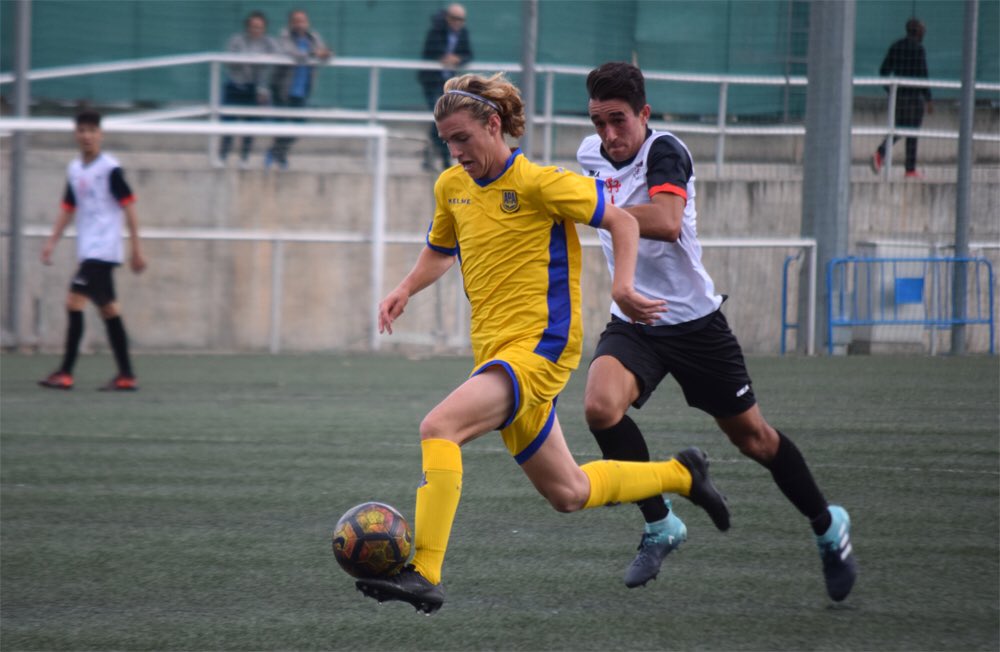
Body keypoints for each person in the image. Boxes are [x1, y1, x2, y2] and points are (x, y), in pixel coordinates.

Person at [354, 72, 731, 614]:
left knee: (439, 427)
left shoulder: (539, 182)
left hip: (541, 347)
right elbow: (442, 248)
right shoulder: (450, 187)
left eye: (463, 138)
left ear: (493, 124)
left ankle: (425, 571)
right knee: (569, 493)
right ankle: (682, 474)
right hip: (494, 352)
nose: (456, 152)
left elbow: (623, 221)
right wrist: (405, 287)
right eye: (447, 142)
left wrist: (623, 288)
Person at [577, 62, 857, 601]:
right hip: (636, 322)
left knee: (753, 439)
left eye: (618, 121)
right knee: (599, 407)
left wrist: (594, 211)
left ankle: (828, 526)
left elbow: (665, 220)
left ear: (644, 115)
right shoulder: (589, 156)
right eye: (598, 122)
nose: (608, 135)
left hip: (695, 324)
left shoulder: (666, 151)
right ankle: (661, 523)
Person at [38, 110, 146, 392]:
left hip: (104, 250)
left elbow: (129, 207)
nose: (86, 136)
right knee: (109, 310)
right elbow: (68, 208)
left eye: (91, 130)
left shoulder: (110, 169)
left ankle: (65, 372)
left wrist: (136, 249)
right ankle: (126, 375)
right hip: (89, 251)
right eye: (82, 130)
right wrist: (52, 241)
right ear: (76, 134)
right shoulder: (75, 170)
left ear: (100, 134)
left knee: (73, 302)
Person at [265, 8, 332, 170]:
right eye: (296, 21)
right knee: (282, 125)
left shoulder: (313, 38)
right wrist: (314, 53)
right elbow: (292, 53)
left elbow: (325, 53)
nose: (300, 24)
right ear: (290, 23)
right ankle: (280, 158)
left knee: (299, 125)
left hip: (302, 89)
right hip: (283, 88)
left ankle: (275, 152)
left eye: (302, 20)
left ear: (307, 22)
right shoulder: (284, 36)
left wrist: (326, 53)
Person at [216, 11, 278, 169]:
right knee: (228, 124)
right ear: (247, 27)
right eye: (253, 26)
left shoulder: (268, 42)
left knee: (250, 126)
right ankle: (222, 156)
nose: (256, 30)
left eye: (260, 27)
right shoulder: (237, 40)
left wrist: (263, 88)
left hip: (254, 89)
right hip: (236, 86)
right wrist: (249, 58)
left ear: (264, 28)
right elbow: (229, 61)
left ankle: (244, 157)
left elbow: (278, 57)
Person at [871, 18, 933, 179]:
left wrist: (891, 90)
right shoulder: (919, 49)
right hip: (914, 97)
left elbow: (883, 71)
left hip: (899, 97)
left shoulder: (896, 46)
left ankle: (881, 153)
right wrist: (928, 99)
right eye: (922, 31)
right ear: (918, 32)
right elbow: (923, 75)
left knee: (899, 128)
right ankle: (909, 169)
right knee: (911, 132)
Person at [418, 3, 473, 171]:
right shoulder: (436, 31)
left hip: (448, 84)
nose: (458, 22)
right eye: (455, 18)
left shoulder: (463, 33)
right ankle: (444, 160)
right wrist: (441, 58)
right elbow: (429, 53)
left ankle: (430, 154)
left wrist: (457, 59)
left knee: (440, 121)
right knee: (439, 121)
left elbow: (468, 54)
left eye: (461, 19)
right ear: (448, 18)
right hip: (432, 83)